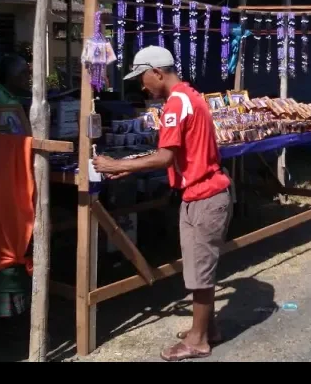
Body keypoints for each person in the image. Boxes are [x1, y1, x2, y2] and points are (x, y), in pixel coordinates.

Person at [93, 46, 233, 362]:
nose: (142, 86)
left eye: (142, 77)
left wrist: (119, 166)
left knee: (200, 270)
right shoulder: (189, 96)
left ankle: (198, 340)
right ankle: (207, 328)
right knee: (202, 267)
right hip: (206, 192)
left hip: (204, 195)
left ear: (157, 72)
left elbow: (164, 156)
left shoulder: (175, 104)